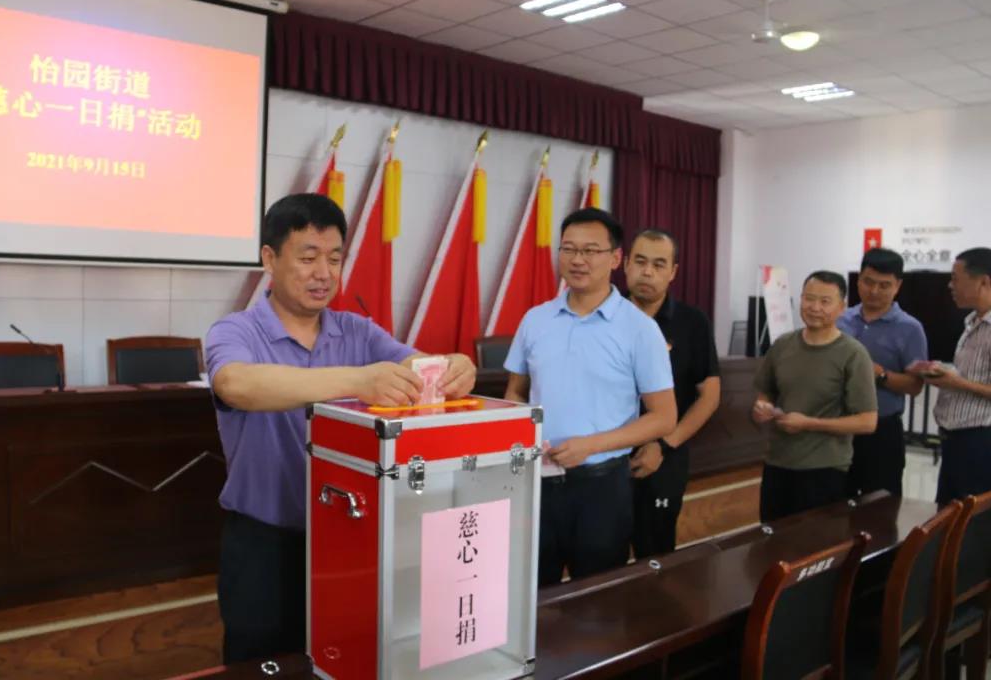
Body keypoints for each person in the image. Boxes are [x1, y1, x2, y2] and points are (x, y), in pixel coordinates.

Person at [205, 194, 476, 663]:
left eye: (334, 259)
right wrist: (357, 380)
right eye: (308, 257)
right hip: (263, 542)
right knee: (258, 660)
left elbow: (419, 367)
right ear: (269, 258)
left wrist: (455, 366)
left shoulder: (357, 332)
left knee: (341, 655)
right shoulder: (235, 331)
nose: (324, 273)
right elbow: (236, 384)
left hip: (349, 537)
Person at [504, 208, 676, 586]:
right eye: (568, 249)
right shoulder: (535, 320)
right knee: (532, 593)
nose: (577, 260)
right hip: (537, 481)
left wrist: (591, 445)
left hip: (602, 488)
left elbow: (664, 417)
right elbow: (515, 391)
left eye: (591, 250)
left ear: (615, 259)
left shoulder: (640, 329)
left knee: (597, 600)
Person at [623, 228, 720, 558]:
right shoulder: (603, 317)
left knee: (657, 557)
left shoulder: (693, 322)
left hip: (666, 457)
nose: (647, 272)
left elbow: (709, 395)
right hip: (605, 459)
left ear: (673, 271)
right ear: (625, 264)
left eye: (659, 264)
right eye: (640, 262)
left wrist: (663, 445)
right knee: (604, 559)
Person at [752, 271, 877, 522]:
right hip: (777, 463)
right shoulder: (783, 345)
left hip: (824, 469)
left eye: (825, 301)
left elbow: (867, 421)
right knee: (771, 538)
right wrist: (762, 406)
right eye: (809, 299)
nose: (815, 307)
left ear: (842, 307)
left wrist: (809, 423)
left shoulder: (853, 354)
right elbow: (766, 391)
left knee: (814, 542)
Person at [837, 248, 927, 497]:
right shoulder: (840, 320)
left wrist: (879, 374)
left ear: (898, 286)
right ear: (858, 280)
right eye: (868, 282)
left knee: (879, 507)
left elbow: (915, 386)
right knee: (834, 504)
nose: (874, 291)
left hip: (882, 432)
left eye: (884, 285)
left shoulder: (910, 328)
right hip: (837, 427)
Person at [926, 247, 991, 503]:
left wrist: (955, 382)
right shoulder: (972, 322)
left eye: (955, 278)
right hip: (955, 439)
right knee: (949, 514)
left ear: (984, 282)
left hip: (980, 440)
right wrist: (943, 375)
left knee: (972, 518)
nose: (950, 285)